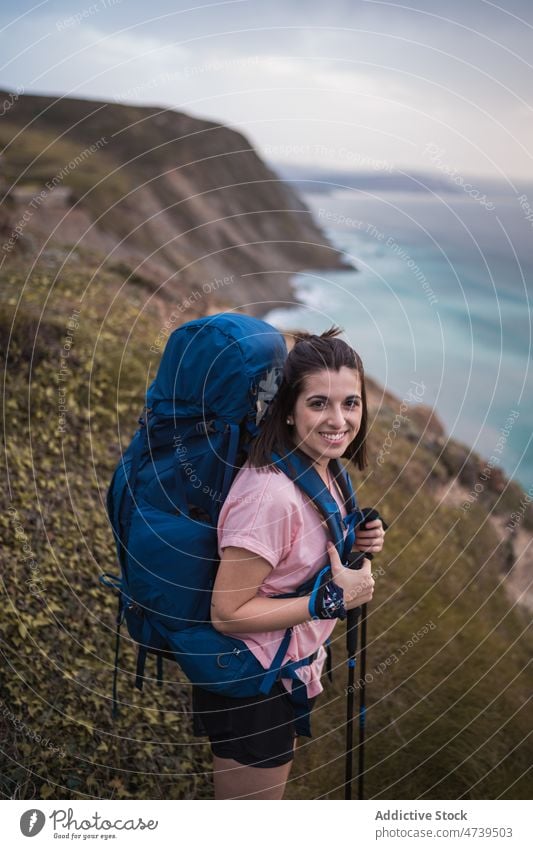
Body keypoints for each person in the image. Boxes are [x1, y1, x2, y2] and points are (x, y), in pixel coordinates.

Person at [191, 326, 386, 799]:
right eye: (319, 403)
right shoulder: (269, 496)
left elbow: (296, 553)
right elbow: (228, 613)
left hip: (286, 670)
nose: (339, 419)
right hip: (256, 685)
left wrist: (355, 536)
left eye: (351, 402)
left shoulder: (320, 465)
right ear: (289, 409)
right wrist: (331, 601)